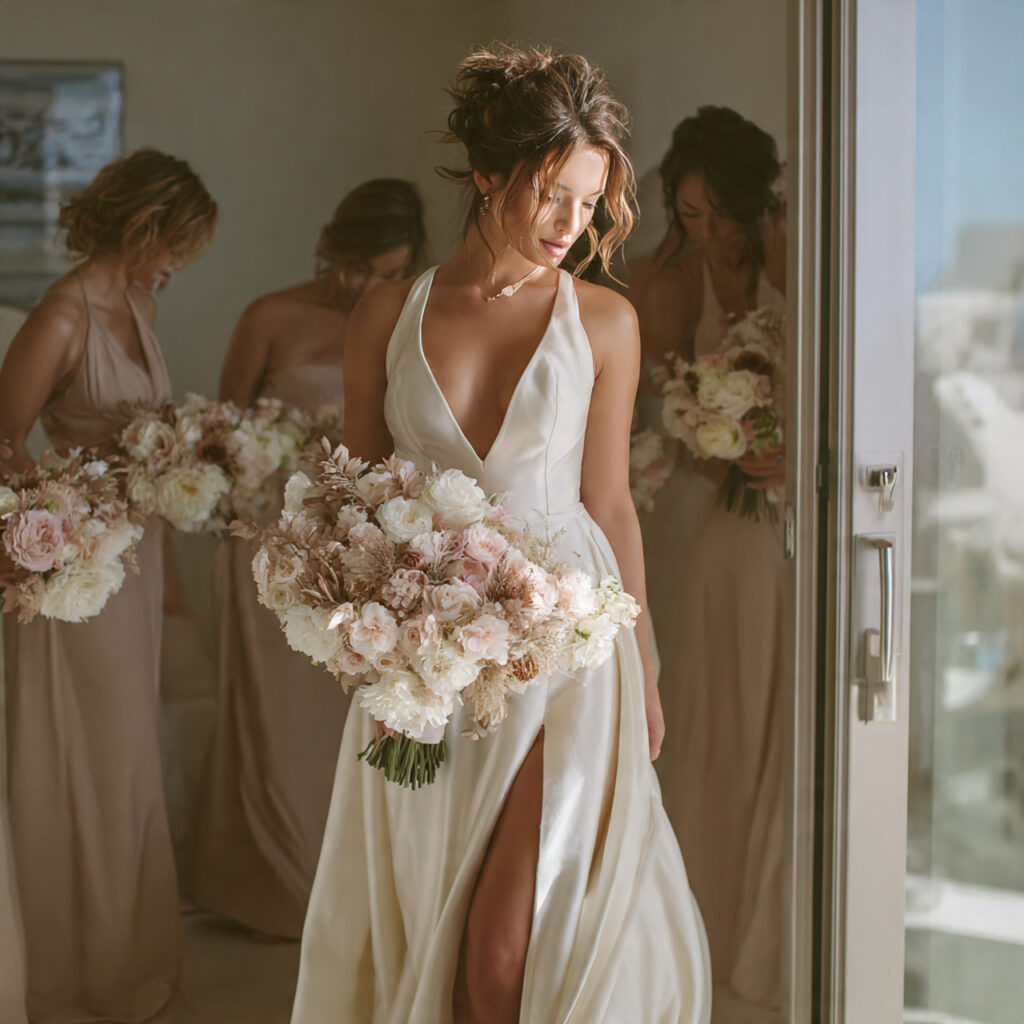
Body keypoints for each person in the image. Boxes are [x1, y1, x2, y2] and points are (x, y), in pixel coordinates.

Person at [290, 45, 711, 1024]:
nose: (574, 224)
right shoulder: (387, 316)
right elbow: (348, 500)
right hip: (423, 657)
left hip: (563, 648)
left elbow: (607, 501)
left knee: (501, 954)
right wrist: (369, 644)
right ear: (487, 172)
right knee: (425, 917)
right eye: (553, 193)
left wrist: (642, 666)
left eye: (589, 201)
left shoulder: (603, 321)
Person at [0, 148, 217, 1023]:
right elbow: (4, 443)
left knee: (128, 755)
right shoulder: (61, 316)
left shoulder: (140, 304)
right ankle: (70, 968)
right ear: (140, 225)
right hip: (78, 575)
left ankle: (126, 957)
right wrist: (62, 523)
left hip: (139, 560)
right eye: (175, 244)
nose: (177, 265)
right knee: (82, 757)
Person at [190, 179, 426, 939]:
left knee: (337, 715)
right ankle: (275, 885)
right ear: (335, 249)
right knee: (269, 712)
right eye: (362, 268)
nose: (372, 286)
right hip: (271, 540)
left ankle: (348, 891)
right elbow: (222, 433)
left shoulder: (407, 320)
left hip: (352, 550)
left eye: (392, 272)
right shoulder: (272, 315)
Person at [630, 105, 787, 1011]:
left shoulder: (793, 259)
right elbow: (652, 402)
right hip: (702, 510)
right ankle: (694, 916)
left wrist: (787, 456)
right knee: (705, 696)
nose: (707, 230)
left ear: (752, 202)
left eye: (719, 213)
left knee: (770, 699)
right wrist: (709, 438)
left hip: (781, 512)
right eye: (689, 213)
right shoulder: (666, 278)